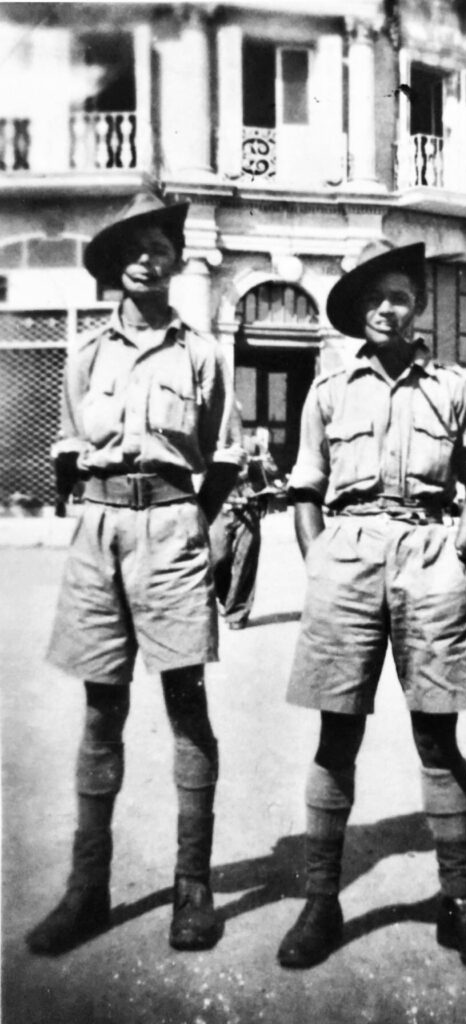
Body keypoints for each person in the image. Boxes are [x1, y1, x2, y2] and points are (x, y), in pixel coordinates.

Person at [277, 240, 466, 976]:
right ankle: (322, 900)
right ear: (357, 311)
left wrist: (465, 548)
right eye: (375, 297)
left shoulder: (452, 385)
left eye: (402, 296)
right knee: (336, 733)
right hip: (347, 553)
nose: (389, 307)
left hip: (427, 548)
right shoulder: (327, 391)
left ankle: (460, 904)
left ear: (418, 307)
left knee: (437, 736)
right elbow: (305, 488)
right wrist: (320, 560)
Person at [27, 191, 241, 956]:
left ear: (178, 261)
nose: (148, 256)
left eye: (160, 244)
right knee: (100, 710)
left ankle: (194, 887)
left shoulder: (203, 353)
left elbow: (223, 458)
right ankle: (88, 890)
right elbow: (65, 449)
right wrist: (101, 511)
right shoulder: (85, 353)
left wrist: (186, 522)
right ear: (114, 265)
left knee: (186, 704)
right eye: (132, 246)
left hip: (173, 527)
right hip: (98, 530)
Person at [209, 422, 277, 630]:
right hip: (219, 508)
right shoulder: (209, 442)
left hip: (248, 508)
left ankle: (237, 612)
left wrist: (263, 459)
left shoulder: (252, 445)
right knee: (217, 559)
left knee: (245, 561)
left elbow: (272, 471)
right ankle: (226, 597)